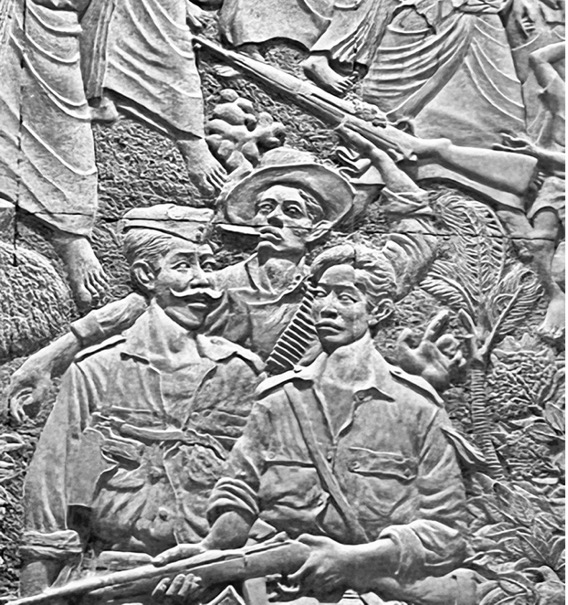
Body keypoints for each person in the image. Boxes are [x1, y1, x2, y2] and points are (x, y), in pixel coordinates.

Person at [153, 241, 473, 605]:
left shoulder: (416, 407)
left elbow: (446, 531)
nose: (327, 308)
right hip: (274, 592)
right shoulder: (278, 399)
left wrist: (353, 560)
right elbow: (239, 489)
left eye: (346, 298)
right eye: (320, 295)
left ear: (380, 311)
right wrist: (211, 551)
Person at [19, 205, 263, 599]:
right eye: (183, 266)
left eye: (208, 266)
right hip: (109, 582)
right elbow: (52, 481)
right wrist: (36, 583)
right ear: (147, 275)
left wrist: (219, 561)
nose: (204, 281)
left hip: (213, 584)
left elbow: (264, 480)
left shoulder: (240, 372)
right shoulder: (99, 369)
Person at [8, 150, 356, 421]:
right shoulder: (216, 284)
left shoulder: (325, 297)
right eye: (266, 208)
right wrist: (46, 361)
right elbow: (134, 308)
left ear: (318, 229)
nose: (274, 218)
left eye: (292, 211)